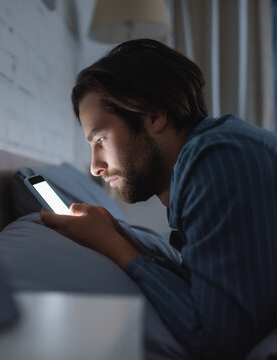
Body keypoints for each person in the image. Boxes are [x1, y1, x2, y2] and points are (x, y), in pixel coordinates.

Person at [40, 39, 277, 359]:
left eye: (100, 139)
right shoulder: (212, 157)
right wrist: (117, 232)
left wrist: (115, 245)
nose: (96, 167)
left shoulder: (216, 158)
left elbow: (217, 344)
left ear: (153, 116)